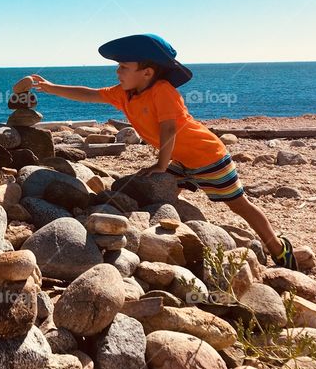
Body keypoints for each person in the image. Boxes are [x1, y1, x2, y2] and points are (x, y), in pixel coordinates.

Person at [30, 33, 298, 269]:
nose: (118, 72)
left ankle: (277, 247)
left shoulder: (163, 91)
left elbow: (169, 130)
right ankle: (167, 240)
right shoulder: (125, 93)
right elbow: (88, 94)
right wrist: (50, 87)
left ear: (147, 72)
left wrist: (161, 164)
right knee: (161, 197)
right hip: (178, 159)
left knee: (238, 205)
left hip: (208, 158)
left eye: (124, 66)